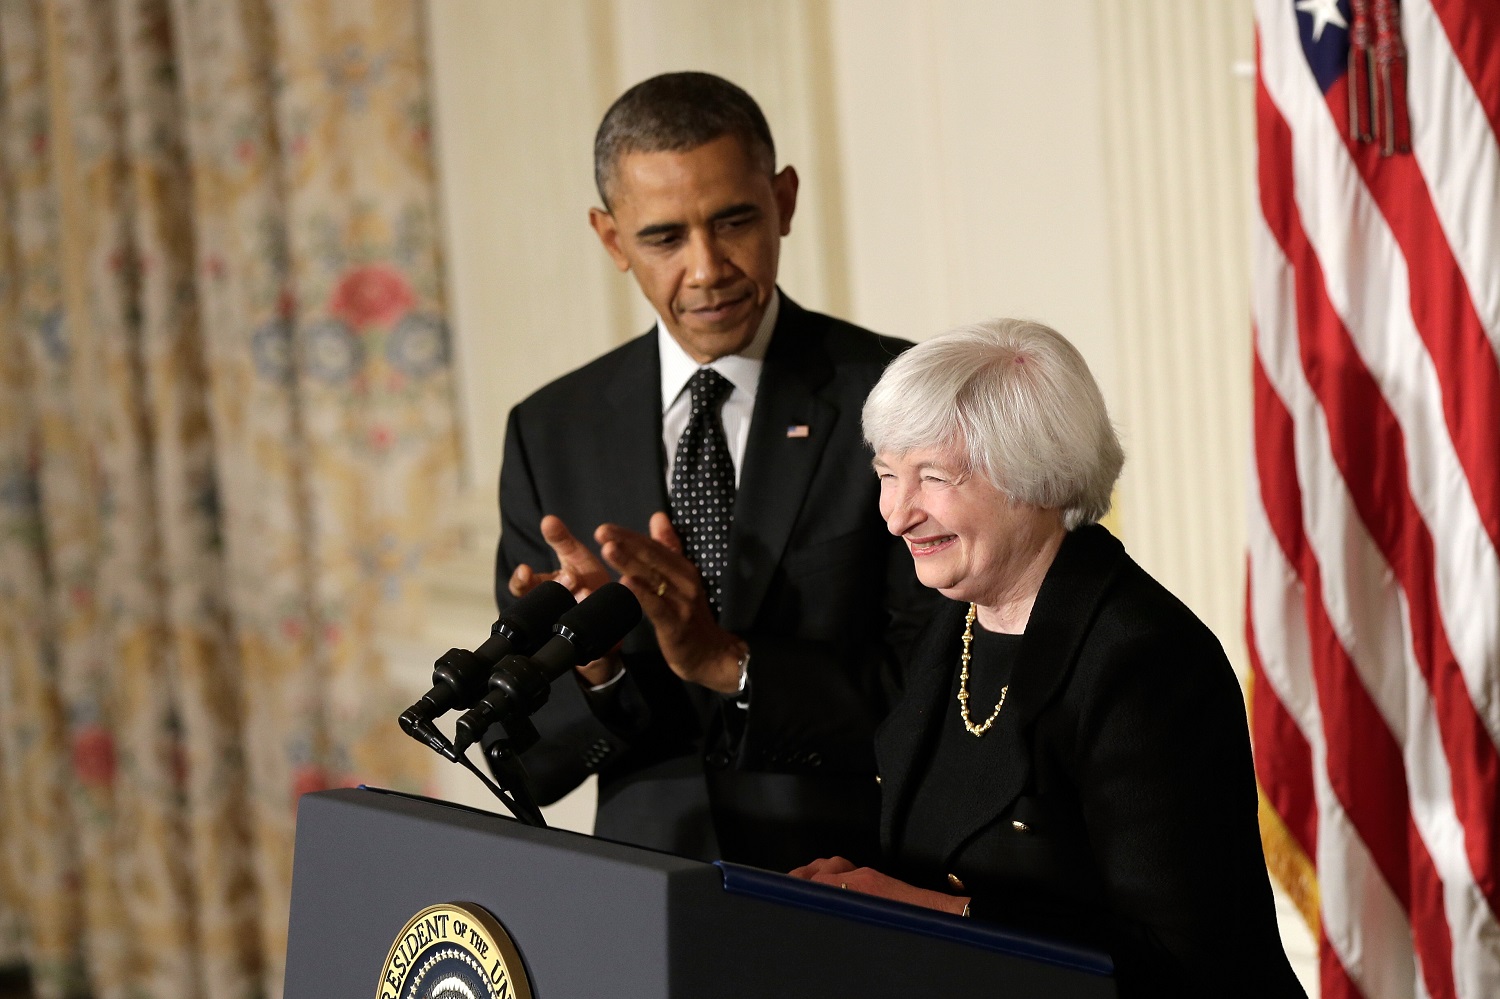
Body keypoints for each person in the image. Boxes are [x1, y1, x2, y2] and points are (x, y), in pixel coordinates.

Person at [493, 71, 937, 871]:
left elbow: (937, 690)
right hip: (645, 892)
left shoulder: (897, 396)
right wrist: (590, 663)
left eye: (734, 221)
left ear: (786, 202)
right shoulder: (548, 430)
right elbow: (530, 755)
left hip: (851, 885)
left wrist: (732, 664)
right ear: (610, 240)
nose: (706, 269)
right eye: (664, 237)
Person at [790, 319, 1306, 996]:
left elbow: (1181, 963)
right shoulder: (954, 623)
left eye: (933, 477)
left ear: (1035, 477)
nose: (895, 514)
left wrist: (917, 907)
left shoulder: (1145, 663)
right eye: (888, 473)